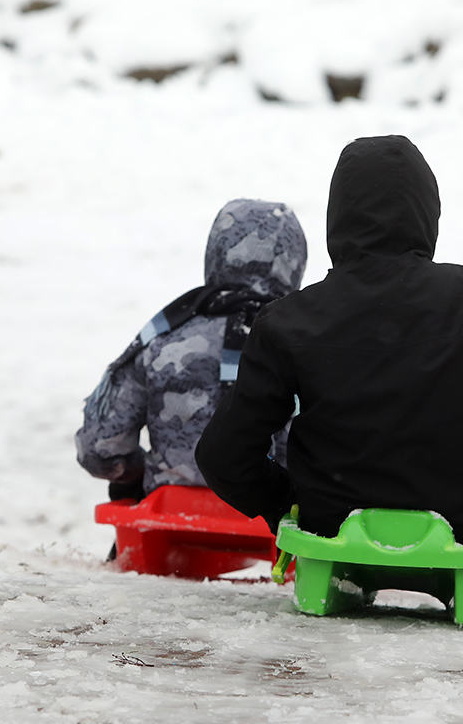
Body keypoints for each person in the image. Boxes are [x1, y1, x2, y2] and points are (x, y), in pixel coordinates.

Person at [195, 136, 463, 560]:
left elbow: (223, 453)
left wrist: (284, 502)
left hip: (331, 526)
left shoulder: (289, 320)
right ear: (427, 213)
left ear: (338, 216)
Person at [75, 199, 308, 504]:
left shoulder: (162, 336)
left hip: (169, 522)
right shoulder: (309, 346)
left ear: (216, 254)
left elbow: (99, 449)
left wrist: (144, 473)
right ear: (294, 262)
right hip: (271, 524)